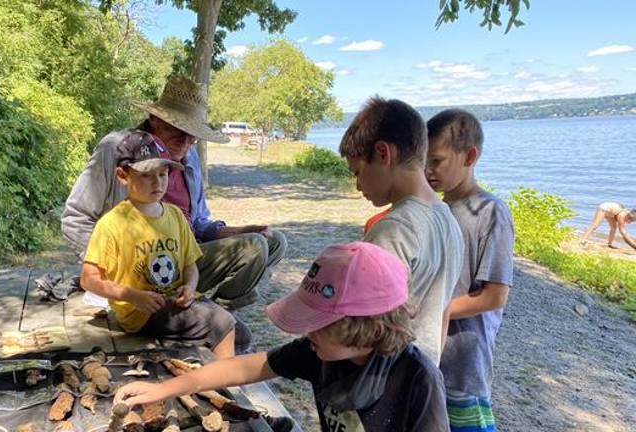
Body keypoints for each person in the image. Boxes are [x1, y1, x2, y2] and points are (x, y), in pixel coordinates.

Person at [114, 242, 449, 432]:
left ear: (368, 330)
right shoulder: (317, 352)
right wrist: (162, 389)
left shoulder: (417, 380)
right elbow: (241, 369)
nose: (307, 331)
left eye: (318, 323)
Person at [61, 76, 288, 351]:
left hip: (179, 258)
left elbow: (198, 224)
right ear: (155, 119)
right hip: (135, 278)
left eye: (194, 134)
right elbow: (76, 217)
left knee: (269, 242)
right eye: (180, 130)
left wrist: (240, 232)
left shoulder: (189, 156)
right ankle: (203, 324)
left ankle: (210, 312)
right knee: (238, 315)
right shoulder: (118, 149)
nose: (188, 141)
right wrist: (114, 279)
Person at [79, 132, 235, 358]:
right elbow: (88, 279)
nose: (158, 182)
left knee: (241, 333)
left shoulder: (175, 216)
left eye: (163, 174)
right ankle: (225, 384)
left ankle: (205, 367)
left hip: (175, 302)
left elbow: (190, 266)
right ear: (123, 176)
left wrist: (190, 288)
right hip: (141, 313)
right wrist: (132, 296)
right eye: (146, 176)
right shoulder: (112, 224)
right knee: (222, 324)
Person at [338, 97, 464, 365]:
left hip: (382, 378)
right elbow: (443, 312)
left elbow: (367, 325)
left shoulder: (392, 231)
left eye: (357, 172)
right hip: (421, 376)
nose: (358, 185)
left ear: (383, 154)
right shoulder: (449, 220)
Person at [426, 109, 514, 432]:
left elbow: (494, 295)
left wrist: (437, 309)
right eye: (423, 161)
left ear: (470, 156)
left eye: (436, 161)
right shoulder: (434, 210)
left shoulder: (491, 213)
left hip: (465, 362)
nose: (427, 170)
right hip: (428, 353)